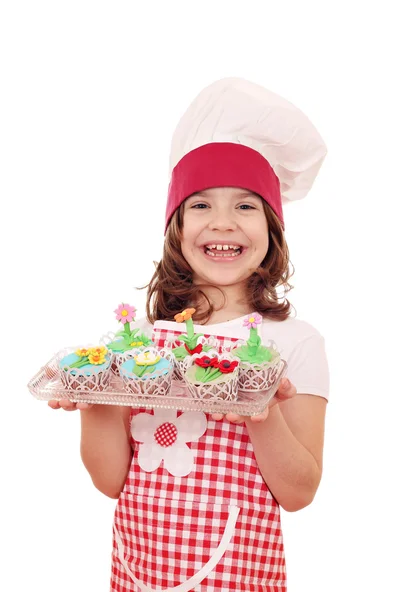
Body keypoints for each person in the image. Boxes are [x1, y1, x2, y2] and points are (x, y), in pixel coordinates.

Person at [49, 77, 330, 591]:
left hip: (239, 575)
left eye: (245, 206)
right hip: (139, 572)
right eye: (201, 204)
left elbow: (299, 492)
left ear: (273, 230)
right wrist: (97, 398)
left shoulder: (295, 342)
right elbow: (111, 481)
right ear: (175, 227)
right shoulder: (137, 342)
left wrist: (258, 411)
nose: (222, 222)